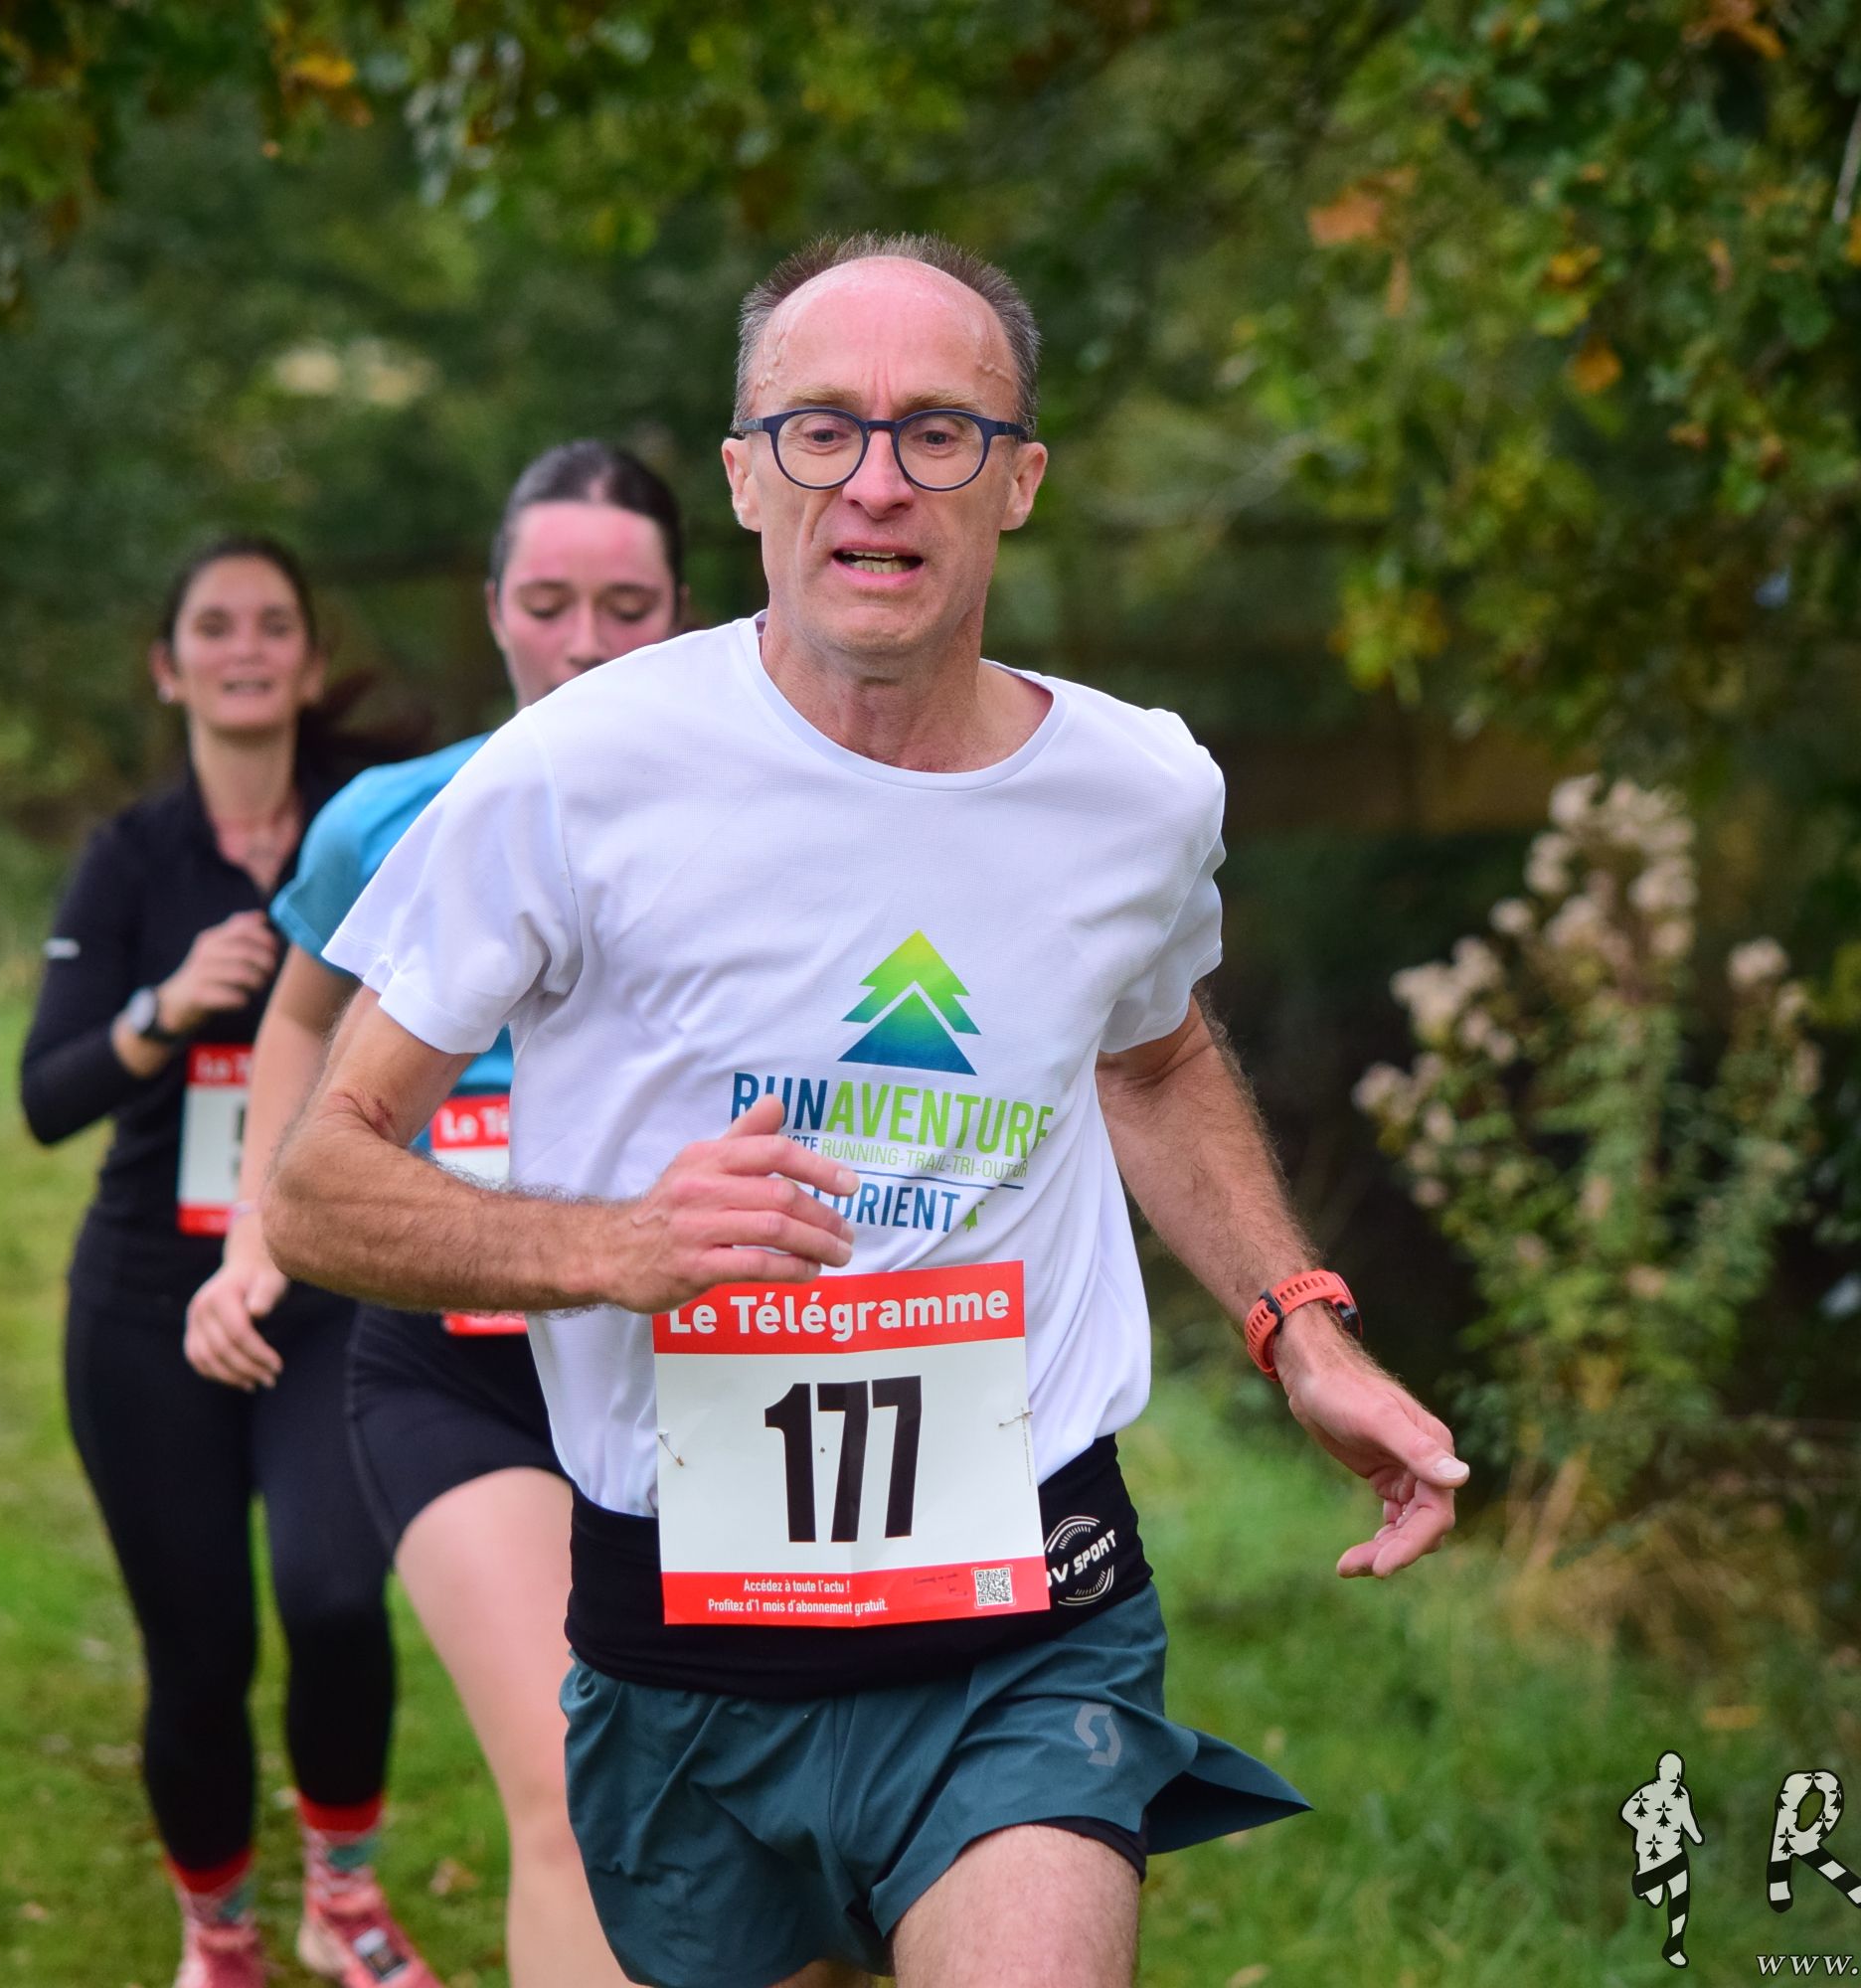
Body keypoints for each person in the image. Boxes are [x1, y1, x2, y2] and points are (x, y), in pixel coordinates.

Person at [260, 232, 1470, 1988]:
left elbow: (1151, 1057)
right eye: (821, 430)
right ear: (747, 478)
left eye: (940, 433)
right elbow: (317, 1185)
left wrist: (1299, 1324)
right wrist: (612, 1247)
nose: (877, 482)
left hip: (1027, 1617)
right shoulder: (572, 776)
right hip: (688, 1639)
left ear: (1021, 481)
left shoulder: (1136, 793)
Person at [189, 442, 683, 1988]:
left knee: (753, 1816)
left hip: (705, 1363)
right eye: (548, 603)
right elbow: (296, 1019)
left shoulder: (766, 809)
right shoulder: (390, 816)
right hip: (462, 1363)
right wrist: (263, 1226)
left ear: (684, 612)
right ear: (492, 609)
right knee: (580, 1794)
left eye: (627, 607)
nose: (585, 643)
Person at [19, 538, 435, 1988]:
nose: (245, 647)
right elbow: (44, 1096)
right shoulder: (133, 858)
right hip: (148, 1305)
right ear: (168, 666)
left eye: (272, 625)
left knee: (334, 1600)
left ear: (310, 663)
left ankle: (344, 1897)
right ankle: (222, 1935)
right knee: (198, 1653)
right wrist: (166, 1003)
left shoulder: (373, 831)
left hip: (331, 1294)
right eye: (214, 624)